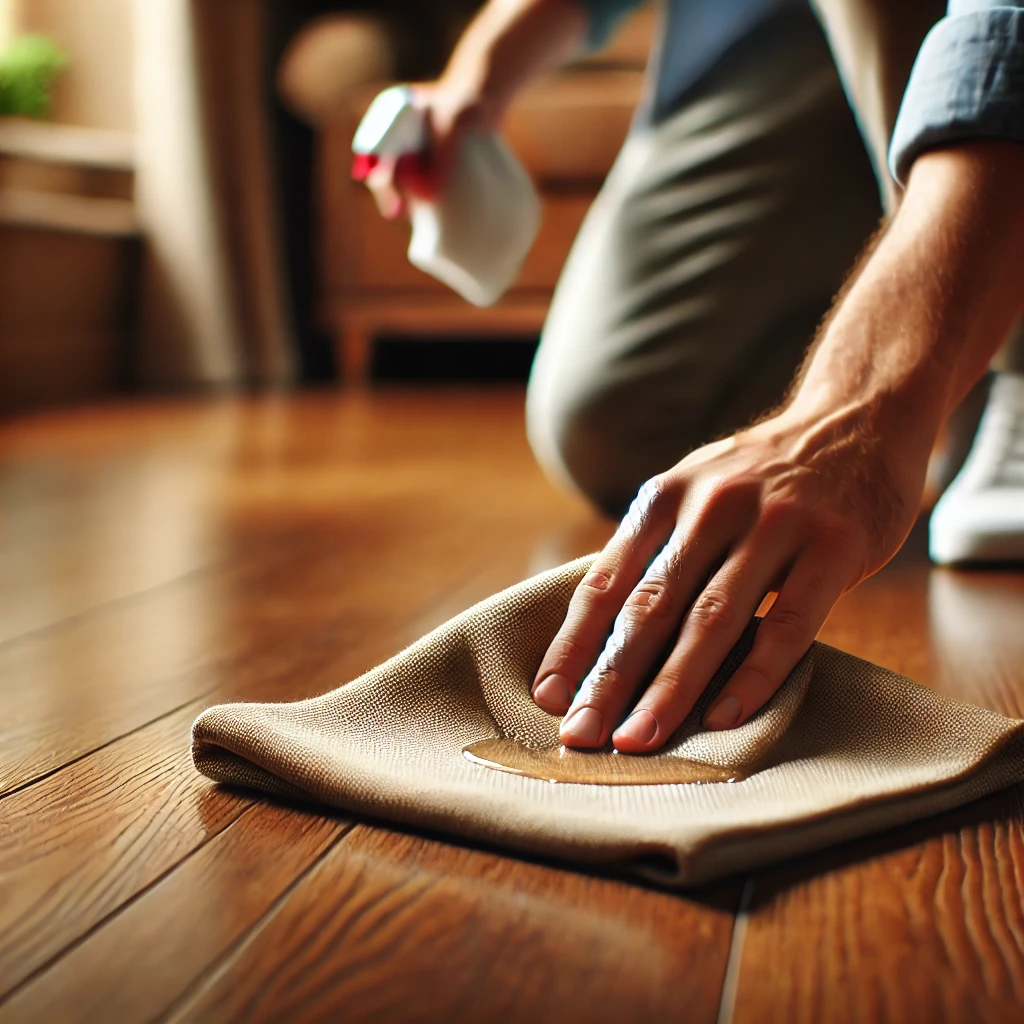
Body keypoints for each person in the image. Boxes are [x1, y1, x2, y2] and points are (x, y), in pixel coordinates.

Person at [365, 0, 1024, 754]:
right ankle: (916, 279)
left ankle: (1010, 360)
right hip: (764, 34)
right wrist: (481, 70)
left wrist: (863, 407)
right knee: (606, 420)